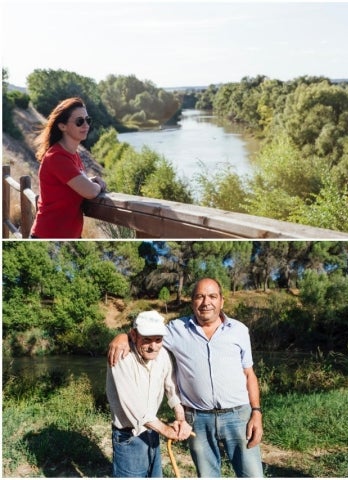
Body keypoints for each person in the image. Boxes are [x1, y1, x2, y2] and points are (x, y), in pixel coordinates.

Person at [108, 278, 264, 478]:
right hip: (198, 418)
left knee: (253, 475)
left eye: (212, 296)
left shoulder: (240, 330)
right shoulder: (175, 329)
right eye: (199, 296)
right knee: (207, 475)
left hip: (238, 416)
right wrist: (122, 336)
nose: (206, 302)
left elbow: (249, 374)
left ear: (222, 301)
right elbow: (144, 336)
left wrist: (256, 413)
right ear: (192, 302)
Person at [106, 310, 193, 477]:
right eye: (147, 339)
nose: (153, 346)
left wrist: (180, 417)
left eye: (158, 340)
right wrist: (167, 431)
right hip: (128, 436)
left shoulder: (162, 355)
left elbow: (171, 387)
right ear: (133, 335)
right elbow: (136, 409)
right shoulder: (121, 358)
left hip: (152, 432)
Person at [30, 97, 106, 238]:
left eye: (87, 120)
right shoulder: (57, 157)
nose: (86, 125)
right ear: (62, 126)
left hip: (68, 235)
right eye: (79, 121)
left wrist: (89, 180)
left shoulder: (72, 154)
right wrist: (98, 186)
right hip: (48, 235)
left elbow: (68, 184)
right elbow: (90, 192)